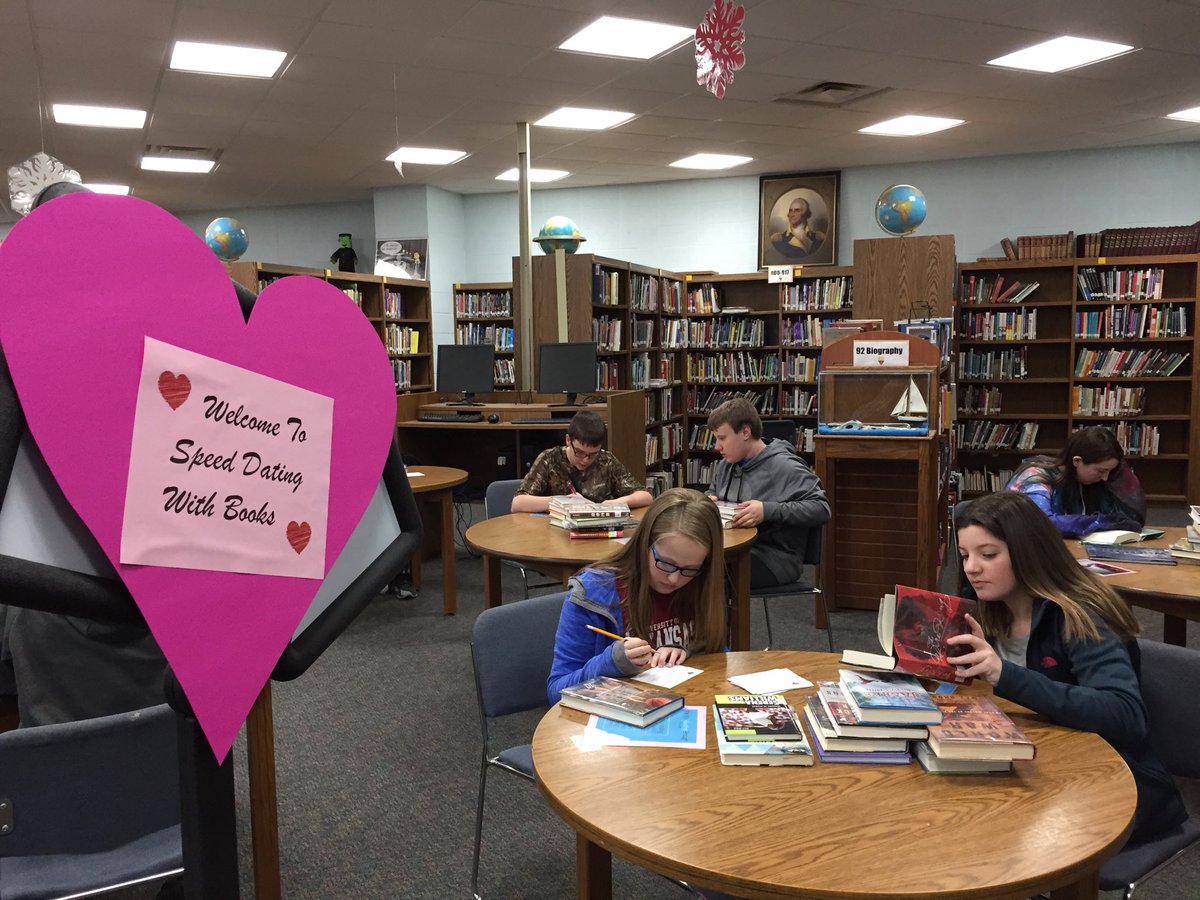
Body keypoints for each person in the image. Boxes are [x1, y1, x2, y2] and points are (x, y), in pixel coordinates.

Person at [947, 492, 1186, 845]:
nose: (971, 568)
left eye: (988, 554)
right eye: (965, 556)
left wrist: (1004, 675)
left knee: (972, 835)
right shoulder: (989, 605)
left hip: (1104, 784)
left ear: (1029, 552)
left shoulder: (1080, 615)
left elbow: (1125, 715)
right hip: (1029, 760)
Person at [547, 488, 727, 704]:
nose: (674, 579)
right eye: (666, 564)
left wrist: (689, 653)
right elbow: (556, 692)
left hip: (683, 712)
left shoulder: (700, 585)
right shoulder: (594, 590)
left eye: (689, 569)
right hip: (609, 725)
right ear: (645, 544)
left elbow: (720, 659)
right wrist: (609, 663)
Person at [705, 398, 829, 588]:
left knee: (709, 576)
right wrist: (709, 500)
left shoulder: (784, 466)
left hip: (774, 557)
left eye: (722, 438)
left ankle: (723, 618)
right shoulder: (726, 465)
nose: (717, 447)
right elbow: (714, 491)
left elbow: (821, 508)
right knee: (690, 562)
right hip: (734, 547)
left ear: (746, 432)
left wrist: (766, 511)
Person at [1005, 425, 1146, 537]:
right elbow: (1041, 522)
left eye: (1110, 471)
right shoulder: (1036, 475)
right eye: (1101, 471)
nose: (1105, 478)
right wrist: (1100, 522)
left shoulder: (1086, 481)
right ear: (1077, 461)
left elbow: (1132, 519)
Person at [511, 409, 652, 513]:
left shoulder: (606, 460)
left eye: (592, 454)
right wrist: (564, 501)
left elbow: (646, 497)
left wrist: (616, 503)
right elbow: (518, 503)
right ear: (568, 440)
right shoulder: (550, 459)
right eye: (579, 452)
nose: (585, 460)